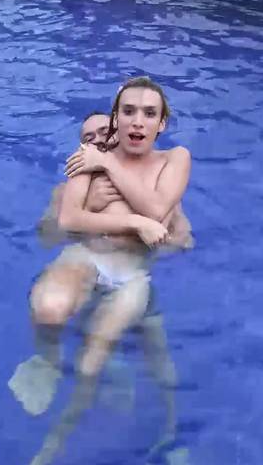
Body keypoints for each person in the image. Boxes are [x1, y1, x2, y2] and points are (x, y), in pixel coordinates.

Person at [18, 76, 193, 465]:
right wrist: (101, 209)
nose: (100, 140)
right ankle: (47, 363)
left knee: (129, 362)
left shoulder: (163, 167)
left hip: (133, 276)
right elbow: (52, 231)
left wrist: (169, 236)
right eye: (90, 137)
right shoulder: (82, 172)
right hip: (86, 263)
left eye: (148, 114)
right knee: (51, 309)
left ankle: (169, 434)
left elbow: (176, 233)